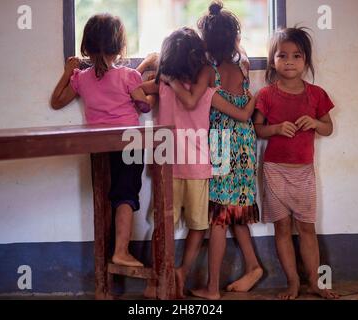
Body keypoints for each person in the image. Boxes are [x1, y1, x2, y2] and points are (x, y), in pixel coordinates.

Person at [139, 26, 256, 299]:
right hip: (198, 168)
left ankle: (156, 282)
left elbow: (135, 91)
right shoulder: (208, 92)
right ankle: (180, 272)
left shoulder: (163, 86)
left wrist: (148, 77)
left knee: (163, 226)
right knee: (199, 225)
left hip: (166, 166)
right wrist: (253, 101)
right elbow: (240, 114)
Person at [168, 1, 263, 300]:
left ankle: (212, 289)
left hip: (222, 145)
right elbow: (246, 109)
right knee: (233, 210)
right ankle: (254, 266)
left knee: (219, 217)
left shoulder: (209, 71)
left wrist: (168, 78)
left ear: (205, 42)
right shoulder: (243, 65)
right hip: (246, 144)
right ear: (234, 37)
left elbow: (192, 101)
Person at [50, 13, 155, 268]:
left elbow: (56, 102)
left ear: (86, 46)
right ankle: (121, 251)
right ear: (120, 47)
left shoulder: (81, 79)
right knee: (126, 195)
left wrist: (67, 72)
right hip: (129, 143)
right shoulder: (129, 76)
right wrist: (150, 92)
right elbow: (144, 107)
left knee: (106, 195)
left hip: (98, 145)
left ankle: (105, 256)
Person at [254, 26, 339, 299]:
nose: (289, 61)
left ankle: (314, 282)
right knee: (282, 228)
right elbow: (258, 129)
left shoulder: (316, 94)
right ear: (273, 60)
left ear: (306, 61)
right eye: (282, 55)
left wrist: (315, 122)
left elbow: (328, 128)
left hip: (303, 172)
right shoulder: (266, 95)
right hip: (275, 170)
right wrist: (276, 129)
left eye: (297, 56)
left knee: (306, 228)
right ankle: (293, 283)